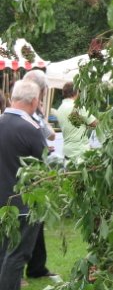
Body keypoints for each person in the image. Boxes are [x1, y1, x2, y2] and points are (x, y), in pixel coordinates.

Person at [0, 80, 47, 290]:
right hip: (23, 204)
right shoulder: (31, 128)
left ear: (12, 97)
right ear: (35, 101)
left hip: (2, 203)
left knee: (3, 253)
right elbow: (45, 167)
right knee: (17, 255)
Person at [22, 70, 57, 281]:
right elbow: (45, 134)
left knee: (37, 221)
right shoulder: (26, 111)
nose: (43, 95)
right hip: (27, 173)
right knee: (26, 222)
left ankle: (37, 266)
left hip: (35, 171)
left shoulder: (35, 111)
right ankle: (21, 269)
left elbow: (48, 135)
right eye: (43, 91)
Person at [55, 82, 96, 163]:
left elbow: (76, 125)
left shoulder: (60, 109)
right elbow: (95, 123)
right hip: (80, 152)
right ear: (76, 92)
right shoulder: (77, 107)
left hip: (67, 151)